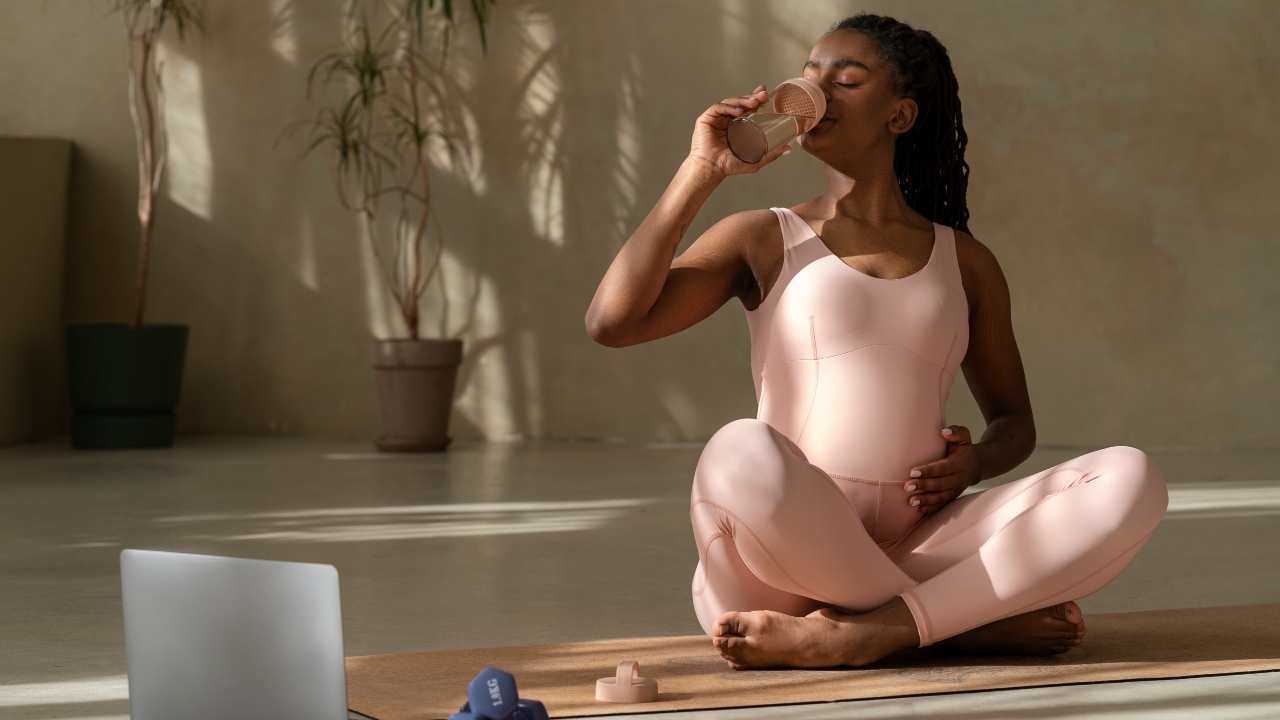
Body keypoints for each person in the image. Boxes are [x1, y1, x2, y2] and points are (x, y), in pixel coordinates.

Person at [585, 13, 1167, 669]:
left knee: (1130, 477)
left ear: (900, 115)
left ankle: (868, 630)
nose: (815, 91)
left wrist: (973, 465)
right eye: (808, 76)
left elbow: (1014, 424)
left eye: (847, 78)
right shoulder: (763, 236)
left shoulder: (967, 262)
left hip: (918, 541)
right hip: (774, 559)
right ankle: (951, 623)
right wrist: (701, 169)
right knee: (739, 450)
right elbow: (614, 321)